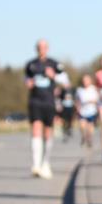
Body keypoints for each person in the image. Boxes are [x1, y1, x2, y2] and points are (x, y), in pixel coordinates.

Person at [25, 39, 66, 179]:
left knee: (47, 133)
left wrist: (53, 75)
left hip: (49, 102)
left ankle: (45, 162)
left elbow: (65, 82)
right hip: (35, 101)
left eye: (44, 47)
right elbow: (27, 80)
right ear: (36, 48)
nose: (41, 49)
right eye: (39, 47)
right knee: (36, 129)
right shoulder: (31, 65)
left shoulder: (54, 64)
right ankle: (36, 165)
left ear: (47, 48)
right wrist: (29, 83)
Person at [75, 74, 99, 149]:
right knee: (82, 126)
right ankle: (83, 136)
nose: (85, 82)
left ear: (90, 81)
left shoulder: (94, 89)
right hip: (82, 111)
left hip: (91, 111)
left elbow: (97, 100)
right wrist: (77, 108)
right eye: (84, 80)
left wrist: (91, 101)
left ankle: (89, 139)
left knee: (90, 128)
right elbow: (77, 100)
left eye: (87, 80)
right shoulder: (79, 90)